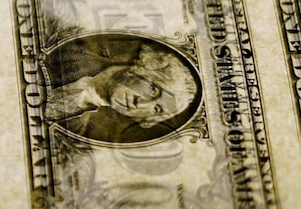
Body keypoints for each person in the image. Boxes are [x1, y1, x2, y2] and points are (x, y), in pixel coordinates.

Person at [46, 43, 198, 144]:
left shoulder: (78, 135)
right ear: (144, 66)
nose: (140, 103)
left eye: (156, 109)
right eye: (153, 89)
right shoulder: (72, 51)